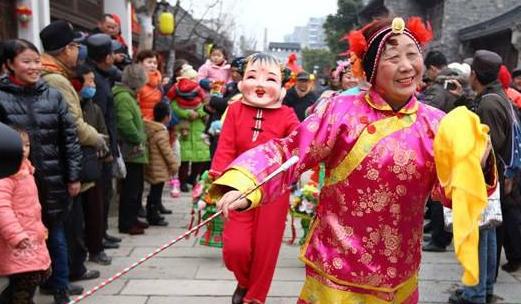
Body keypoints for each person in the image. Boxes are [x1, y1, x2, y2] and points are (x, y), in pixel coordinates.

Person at [211, 17, 496, 304]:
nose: (407, 66)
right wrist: (246, 184)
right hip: (334, 270)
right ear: (371, 68)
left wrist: (477, 164)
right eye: (393, 57)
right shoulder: (340, 111)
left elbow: (447, 194)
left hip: (398, 278)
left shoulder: (438, 125)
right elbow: (290, 152)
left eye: (413, 54)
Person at [209, 53, 300, 304]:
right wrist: (220, 182)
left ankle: (255, 297)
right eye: (252, 76)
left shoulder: (287, 115)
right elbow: (225, 147)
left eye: (270, 79)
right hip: (237, 190)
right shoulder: (235, 110)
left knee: (266, 249)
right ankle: (244, 281)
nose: (260, 84)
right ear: (241, 81)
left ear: (282, 86)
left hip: (273, 192)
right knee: (235, 249)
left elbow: (300, 145)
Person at [0, 38, 82, 304]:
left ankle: (60, 289)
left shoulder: (52, 94)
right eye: (26, 62)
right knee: (18, 246)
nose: (34, 67)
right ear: (9, 64)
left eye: (36, 61)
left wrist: (73, 175)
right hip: (14, 184)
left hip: (52, 178)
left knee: (56, 237)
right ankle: (21, 294)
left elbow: (69, 138)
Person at [39, 20, 104, 286]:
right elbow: (73, 124)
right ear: (67, 49)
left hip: (54, 159)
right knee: (68, 222)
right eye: (76, 46)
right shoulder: (55, 79)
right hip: (60, 162)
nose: (78, 52)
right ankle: (66, 274)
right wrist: (97, 138)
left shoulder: (53, 75)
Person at [449, 50, 511, 304]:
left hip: (481, 178)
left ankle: (474, 293)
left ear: (474, 74)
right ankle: (482, 289)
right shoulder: (496, 96)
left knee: (476, 236)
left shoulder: (489, 103)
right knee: (486, 235)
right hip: (490, 178)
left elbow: (488, 145)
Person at [0, 127, 51, 304]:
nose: (23, 149)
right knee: (24, 284)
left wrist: (40, 229)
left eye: (27, 145)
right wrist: (16, 236)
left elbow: (32, 208)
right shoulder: (6, 174)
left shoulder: (27, 170)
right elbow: (2, 209)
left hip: (31, 239)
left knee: (32, 279)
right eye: (19, 145)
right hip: (17, 244)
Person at [84, 33, 122, 249]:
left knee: (106, 194)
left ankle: (103, 232)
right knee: (99, 196)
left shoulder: (104, 75)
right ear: (106, 57)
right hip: (101, 146)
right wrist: (106, 147)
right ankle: (97, 238)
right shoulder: (96, 80)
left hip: (107, 142)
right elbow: (98, 117)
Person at [74, 64, 112, 266]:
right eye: (89, 81)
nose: (92, 85)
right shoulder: (73, 106)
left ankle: (96, 249)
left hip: (93, 164)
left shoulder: (93, 107)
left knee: (95, 209)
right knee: (77, 217)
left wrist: (106, 154)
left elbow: (103, 131)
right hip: (76, 165)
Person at [113, 64, 149, 235]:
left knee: (136, 188)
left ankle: (133, 218)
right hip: (131, 151)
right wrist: (138, 138)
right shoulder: (124, 98)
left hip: (135, 152)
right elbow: (125, 123)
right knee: (130, 190)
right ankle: (126, 223)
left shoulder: (129, 96)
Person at [169, 64, 210, 192]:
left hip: (198, 127)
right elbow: (174, 106)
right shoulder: (177, 91)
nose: (193, 82)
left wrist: (199, 113)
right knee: (184, 158)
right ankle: (182, 181)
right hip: (183, 127)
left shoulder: (200, 91)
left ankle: (193, 178)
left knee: (201, 156)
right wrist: (186, 113)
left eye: (194, 79)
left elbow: (206, 106)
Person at [144, 102, 179, 226]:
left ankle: (154, 210)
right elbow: (167, 152)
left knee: (155, 191)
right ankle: (153, 215)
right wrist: (174, 165)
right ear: (166, 117)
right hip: (158, 167)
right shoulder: (161, 132)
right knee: (156, 192)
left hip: (154, 165)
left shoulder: (152, 128)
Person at [136, 49, 164, 121]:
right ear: (140, 63)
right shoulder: (136, 82)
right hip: (142, 121)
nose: (153, 65)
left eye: (155, 63)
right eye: (149, 62)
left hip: (157, 121)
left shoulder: (159, 82)